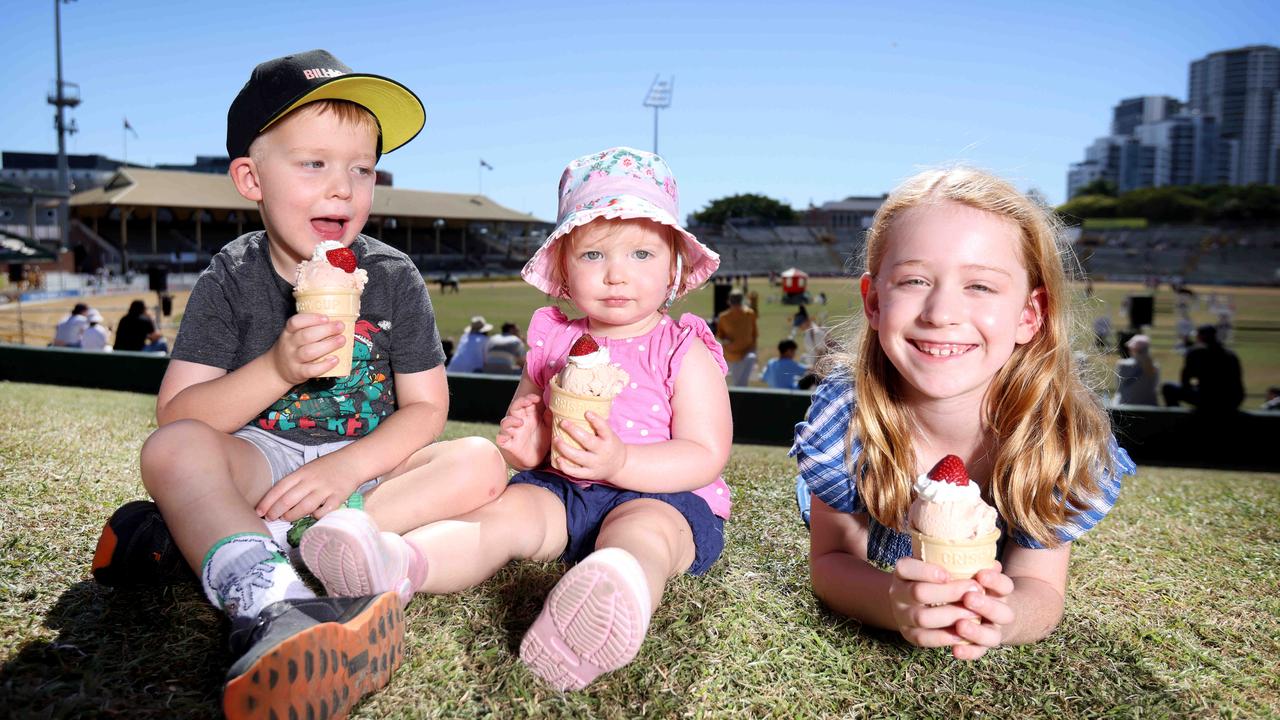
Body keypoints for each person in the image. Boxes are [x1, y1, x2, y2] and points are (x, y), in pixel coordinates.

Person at [88, 49, 507, 718]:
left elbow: (428, 409)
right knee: (171, 453)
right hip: (265, 461)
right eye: (313, 163)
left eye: (362, 168)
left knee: (482, 461)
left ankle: (230, 540)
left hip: (369, 473)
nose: (342, 187)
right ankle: (273, 603)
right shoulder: (232, 275)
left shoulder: (395, 275)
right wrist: (279, 367)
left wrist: (349, 466)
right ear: (251, 178)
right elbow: (180, 413)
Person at [295, 146, 730, 691]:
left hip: (664, 497)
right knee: (501, 521)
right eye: (594, 255)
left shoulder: (681, 347)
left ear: (674, 267)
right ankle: (397, 563)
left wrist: (621, 460)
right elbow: (521, 433)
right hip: (561, 490)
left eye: (641, 255)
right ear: (565, 271)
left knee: (642, 534)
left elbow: (705, 453)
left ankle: (614, 590)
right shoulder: (554, 340)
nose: (617, 275)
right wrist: (524, 450)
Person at [792, 167, 1136, 661]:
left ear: (1029, 315)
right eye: (914, 280)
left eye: (979, 286)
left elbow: (1040, 586)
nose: (941, 312)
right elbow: (831, 562)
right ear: (873, 301)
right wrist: (893, 604)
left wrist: (1002, 616)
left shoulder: (1057, 437)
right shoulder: (848, 421)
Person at [1161, 324, 1245, 412]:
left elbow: (1185, 381)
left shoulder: (1196, 352)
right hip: (1232, 401)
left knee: (1167, 388)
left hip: (1207, 400)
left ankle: (1177, 417)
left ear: (1200, 337)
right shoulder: (1231, 355)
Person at [716, 288, 758, 386]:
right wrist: (725, 340)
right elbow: (720, 335)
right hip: (732, 355)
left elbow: (754, 334)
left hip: (746, 352)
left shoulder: (749, 314)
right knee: (739, 383)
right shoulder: (724, 317)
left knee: (740, 382)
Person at [1113, 334, 1159, 405]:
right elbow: (1155, 387)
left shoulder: (1122, 365)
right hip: (1149, 405)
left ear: (1133, 349)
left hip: (1124, 405)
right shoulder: (1155, 367)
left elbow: (1119, 388)